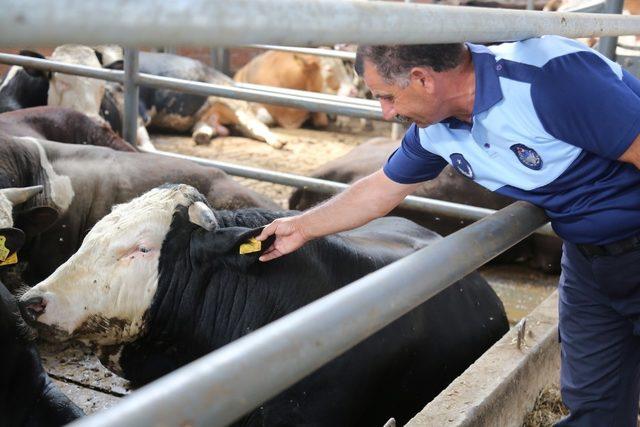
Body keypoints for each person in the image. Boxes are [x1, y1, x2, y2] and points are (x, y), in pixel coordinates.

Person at [256, 35, 640, 426]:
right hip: (586, 258)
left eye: (387, 96)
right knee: (595, 403)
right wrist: (301, 228)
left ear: (423, 79)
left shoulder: (548, 80)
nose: (386, 112)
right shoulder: (436, 129)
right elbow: (380, 190)